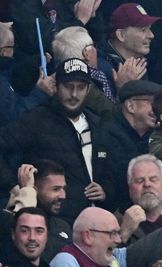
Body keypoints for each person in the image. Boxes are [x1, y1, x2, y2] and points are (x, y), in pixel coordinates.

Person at [0, 59, 113, 221]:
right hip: (51, 220)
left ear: (88, 90)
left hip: (93, 219)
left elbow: (109, 166)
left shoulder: (97, 122)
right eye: (68, 86)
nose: (74, 94)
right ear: (56, 86)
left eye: (80, 88)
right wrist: (14, 187)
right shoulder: (36, 119)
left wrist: (106, 190)